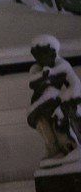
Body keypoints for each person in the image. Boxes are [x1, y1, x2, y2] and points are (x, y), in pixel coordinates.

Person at [27, 34, 80, 165]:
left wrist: (62, 98)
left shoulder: (63, 66)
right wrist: (45, 76)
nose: (41, 60)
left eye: (44, 54)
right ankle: (53, 149)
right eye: (38, 57)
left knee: (60, 119)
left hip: (60, 105)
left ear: (53, 53)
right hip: (41, 105)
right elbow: (33, 82)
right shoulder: (36, 70)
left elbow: (76, 88)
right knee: (41, 122)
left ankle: (70, 147)